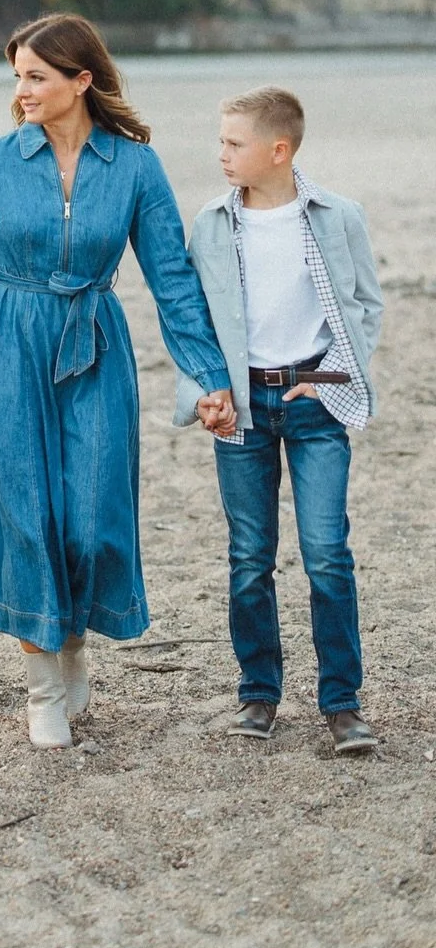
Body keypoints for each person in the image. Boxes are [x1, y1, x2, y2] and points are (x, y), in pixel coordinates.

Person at [0, 13, 235, 749]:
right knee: (23, 516)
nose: (22, 91)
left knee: (91, 520)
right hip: (8, 346)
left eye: (37, 76)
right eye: (17, 76)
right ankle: (43, 688)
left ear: (82, 81)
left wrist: (206, 373)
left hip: (97, 346)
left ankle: (71, 643)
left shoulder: (135, 166)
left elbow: (171, 279)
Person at [176, 87, 384, 754]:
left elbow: (366, 309)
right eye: (221, 141)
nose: (222, 154)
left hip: (314, 404)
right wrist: (207, 389)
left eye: (234, 144)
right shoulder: (211, 223)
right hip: (242, 409)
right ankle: (259, 694)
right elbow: (193, 321)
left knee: (326, 555)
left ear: (279, 150)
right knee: (248, 559)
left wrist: (323, 381)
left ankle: (342, 703)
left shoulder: (335, 216)